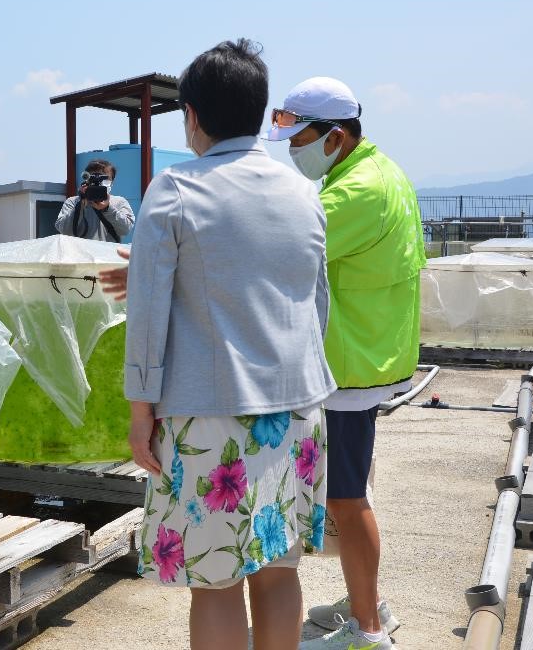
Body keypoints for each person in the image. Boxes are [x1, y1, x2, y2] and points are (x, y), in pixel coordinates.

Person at [123, 39, 336, 650]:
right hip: (297, 411)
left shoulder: (176, 189)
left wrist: (141, 412)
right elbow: (315, 305)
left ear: (192, 115)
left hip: (210, 414)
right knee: (279, 570)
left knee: (215, 584)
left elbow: (147, 314)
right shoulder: (304, 195)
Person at [263, 77, 425, 650]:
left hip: (351, 362)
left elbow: (282, 243)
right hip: (369, 352)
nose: (290, 148)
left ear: (335, 136)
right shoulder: (377, 172)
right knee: (349, 494)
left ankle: (368, 631)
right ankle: (367, 602)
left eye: (298, 136)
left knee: (347, 499)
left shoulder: (355, 194)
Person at [54, 159, 135, 242]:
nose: (99, 183)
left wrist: (107, 208)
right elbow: (64, 230)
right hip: (79, 254)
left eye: (104, 179)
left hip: (108, 254)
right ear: (87, 180)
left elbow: (126, 229)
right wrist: (80, 205)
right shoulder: (73, 202)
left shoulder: (120, 202)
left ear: (112, 182)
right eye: (93, 179)